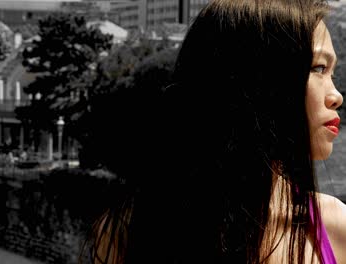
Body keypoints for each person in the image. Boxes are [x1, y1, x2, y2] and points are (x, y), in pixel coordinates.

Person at [80, 0, 346, 263]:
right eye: (318, 68)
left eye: (331, 72)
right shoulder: (128, 231)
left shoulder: (334, 226)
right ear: (255, 78)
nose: (336, 96)